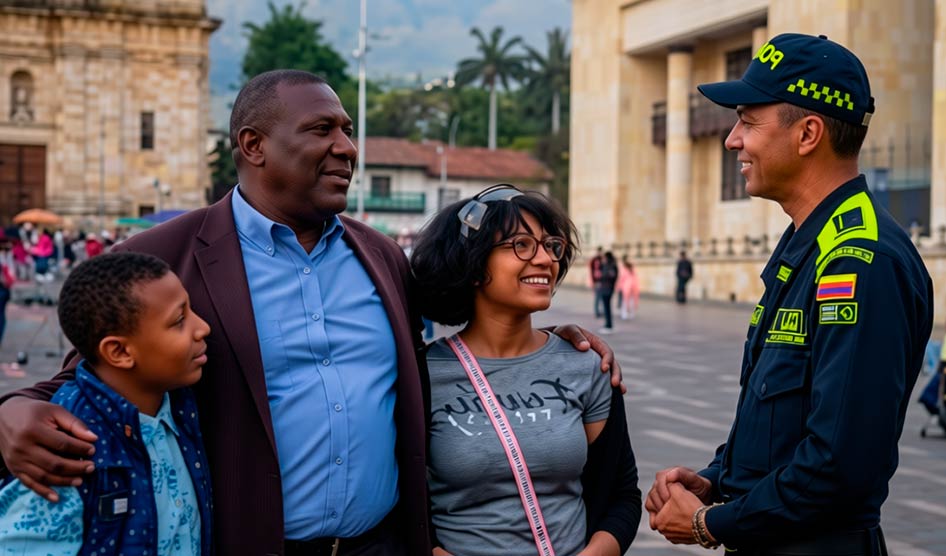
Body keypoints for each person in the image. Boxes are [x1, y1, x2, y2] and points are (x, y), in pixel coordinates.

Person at [0, 70, 622, 556]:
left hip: (382, 546)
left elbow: (476, 313)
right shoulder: (164, 257)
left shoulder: (382, 257)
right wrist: (12, 409)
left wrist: (556, 339)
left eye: (347, 130)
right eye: (322, 130)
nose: (346, 148)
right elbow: (91, 379)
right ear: (254, 145)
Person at [645, 33, 933, 555]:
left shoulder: (858, 261)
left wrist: (712, 523)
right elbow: (782, 428)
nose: (732, 140)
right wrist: (716, 479)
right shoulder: (811, 244)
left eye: (748, 122)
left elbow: (839, 465)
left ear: (807, 134)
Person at [411, 184, 641, 556]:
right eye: (521, 245)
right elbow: (402, 504)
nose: (545, 259)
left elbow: (621, 495)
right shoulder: (422, 376)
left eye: (551, 245)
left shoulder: (587, 366)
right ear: (473, 264)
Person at [0, 252, 213, 554]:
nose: (203, 327)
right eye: (179, 320)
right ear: (120, 352)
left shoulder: (179, 408)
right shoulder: (63, 454)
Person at [595, 251, 618, 333]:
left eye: (604, 258)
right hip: (605, 289)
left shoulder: (611, 266)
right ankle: (608, 324)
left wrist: (602, 276)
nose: (603, 259)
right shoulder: (606, 265)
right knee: (606, 308)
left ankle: (608, 325)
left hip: (607, 289)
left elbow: (611, 276)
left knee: (607, 308)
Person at [588, 246, 604, 317]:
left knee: (601, 297)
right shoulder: (594, 260)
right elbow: (591, 271)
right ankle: (597, 312)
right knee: (597, 297)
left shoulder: (602, 259)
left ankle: (600, 311)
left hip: (602, 280)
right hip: (597, 281)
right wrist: (593, 281)